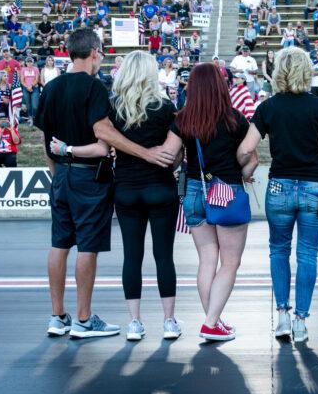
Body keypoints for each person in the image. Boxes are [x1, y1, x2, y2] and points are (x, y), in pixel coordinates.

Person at [50, 50, 183, 342]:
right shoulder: (165, 107)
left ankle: (134, 322)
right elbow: (173, 157)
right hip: (160, 188)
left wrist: (66, 150)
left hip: (125, 189)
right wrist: (165, 162)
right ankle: (169, 321)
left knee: (132, 257)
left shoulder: (112, 109)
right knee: (164, 256)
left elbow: (103, 145)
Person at [236, 46, 318, 342]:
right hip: (316, 189)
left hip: (279, 186)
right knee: (308, 254)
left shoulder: (268, 107)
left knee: (278, 250)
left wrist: (246, 171)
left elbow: (245, 147)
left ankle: (281, 316)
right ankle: (301, 322)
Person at [162, 63, 252, 342]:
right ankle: (211, 322)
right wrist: (245, 176)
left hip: (193, 190)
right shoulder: (235, 119)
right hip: (226, 191)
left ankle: (213, 321)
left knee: (207, 260)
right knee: (230, 263)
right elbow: (250, 160)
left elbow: (169, 155)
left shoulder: (183, 119)